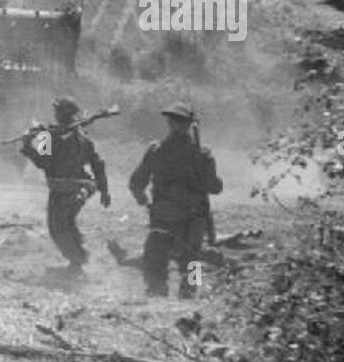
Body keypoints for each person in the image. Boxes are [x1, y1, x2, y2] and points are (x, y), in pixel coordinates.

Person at [127, 102, 222, 299]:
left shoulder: (156, 150)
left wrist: (143, 200)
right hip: (192, 217)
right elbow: (215, 187)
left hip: (164, 216)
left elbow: (136, 183)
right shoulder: (202, 154)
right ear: (189, 125)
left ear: (169, 123)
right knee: (192, 259)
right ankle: (189, 295)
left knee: (156, 258)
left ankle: (157, 293)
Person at [20, 96, 110, 275]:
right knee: (67, 223)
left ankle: (77, 262)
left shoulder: (51, 136)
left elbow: (42, 162)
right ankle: (78, 259)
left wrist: (28, 145)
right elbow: (97, 164)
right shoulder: (82, 138)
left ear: (61, 114)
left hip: (63, 188)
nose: (55, 114)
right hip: (81, 186)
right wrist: (104, 191)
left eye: (57, 112)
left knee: (58, 227)